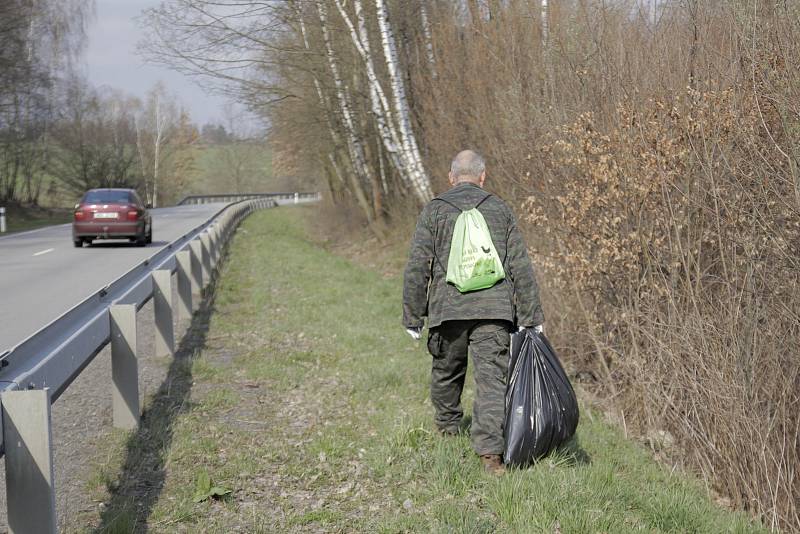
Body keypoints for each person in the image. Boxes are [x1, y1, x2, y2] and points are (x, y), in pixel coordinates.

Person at [402, 150, 545, 475]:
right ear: (483, 177)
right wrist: (531, 317)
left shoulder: (435, 211)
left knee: (446, 371)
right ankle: (491, 455)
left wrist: (414, 317)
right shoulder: (499, 209)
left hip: (447, 310)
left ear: (451, 177)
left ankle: (448, 427)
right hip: (494, 312)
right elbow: (521, 267)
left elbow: (416, 267)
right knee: (491, 381)